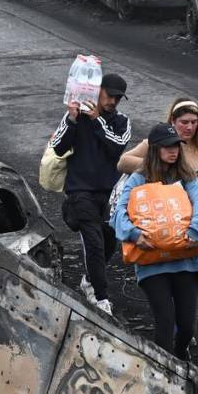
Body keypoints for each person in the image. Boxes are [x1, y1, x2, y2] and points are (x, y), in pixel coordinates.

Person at [111, 123, 198, 360]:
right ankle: (165, 373)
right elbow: (119, 214)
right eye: (167, 146)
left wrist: (195, 232)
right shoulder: (138, 179)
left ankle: (179, 354)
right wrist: (135, 235)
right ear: (155, 149)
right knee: (165, 322)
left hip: (186, 260)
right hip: (152, 263)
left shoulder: (188, 177)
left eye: (176, 145)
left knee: (187, 327)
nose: (173, 150)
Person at [49, 73, 132, 315]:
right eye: (109, 95)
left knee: (109, 242)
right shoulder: (76, 116)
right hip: (80, 191)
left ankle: (89, 280)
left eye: (118, 98)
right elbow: (58, 146)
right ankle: (100, 296)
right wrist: (73, 120)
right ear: (97, 91)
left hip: (109, 193)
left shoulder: (122, 121)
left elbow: (117, 146)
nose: (113, 102)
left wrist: (97, 121)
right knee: (93, 243)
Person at [117, 98, 198, 195]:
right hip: (158, 210)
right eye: (184, 122)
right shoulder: (155, 143)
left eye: (194, 122)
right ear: (173, 120)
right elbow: (123, 162)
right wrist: (160, 166)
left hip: (194, 213)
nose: (190, 127)